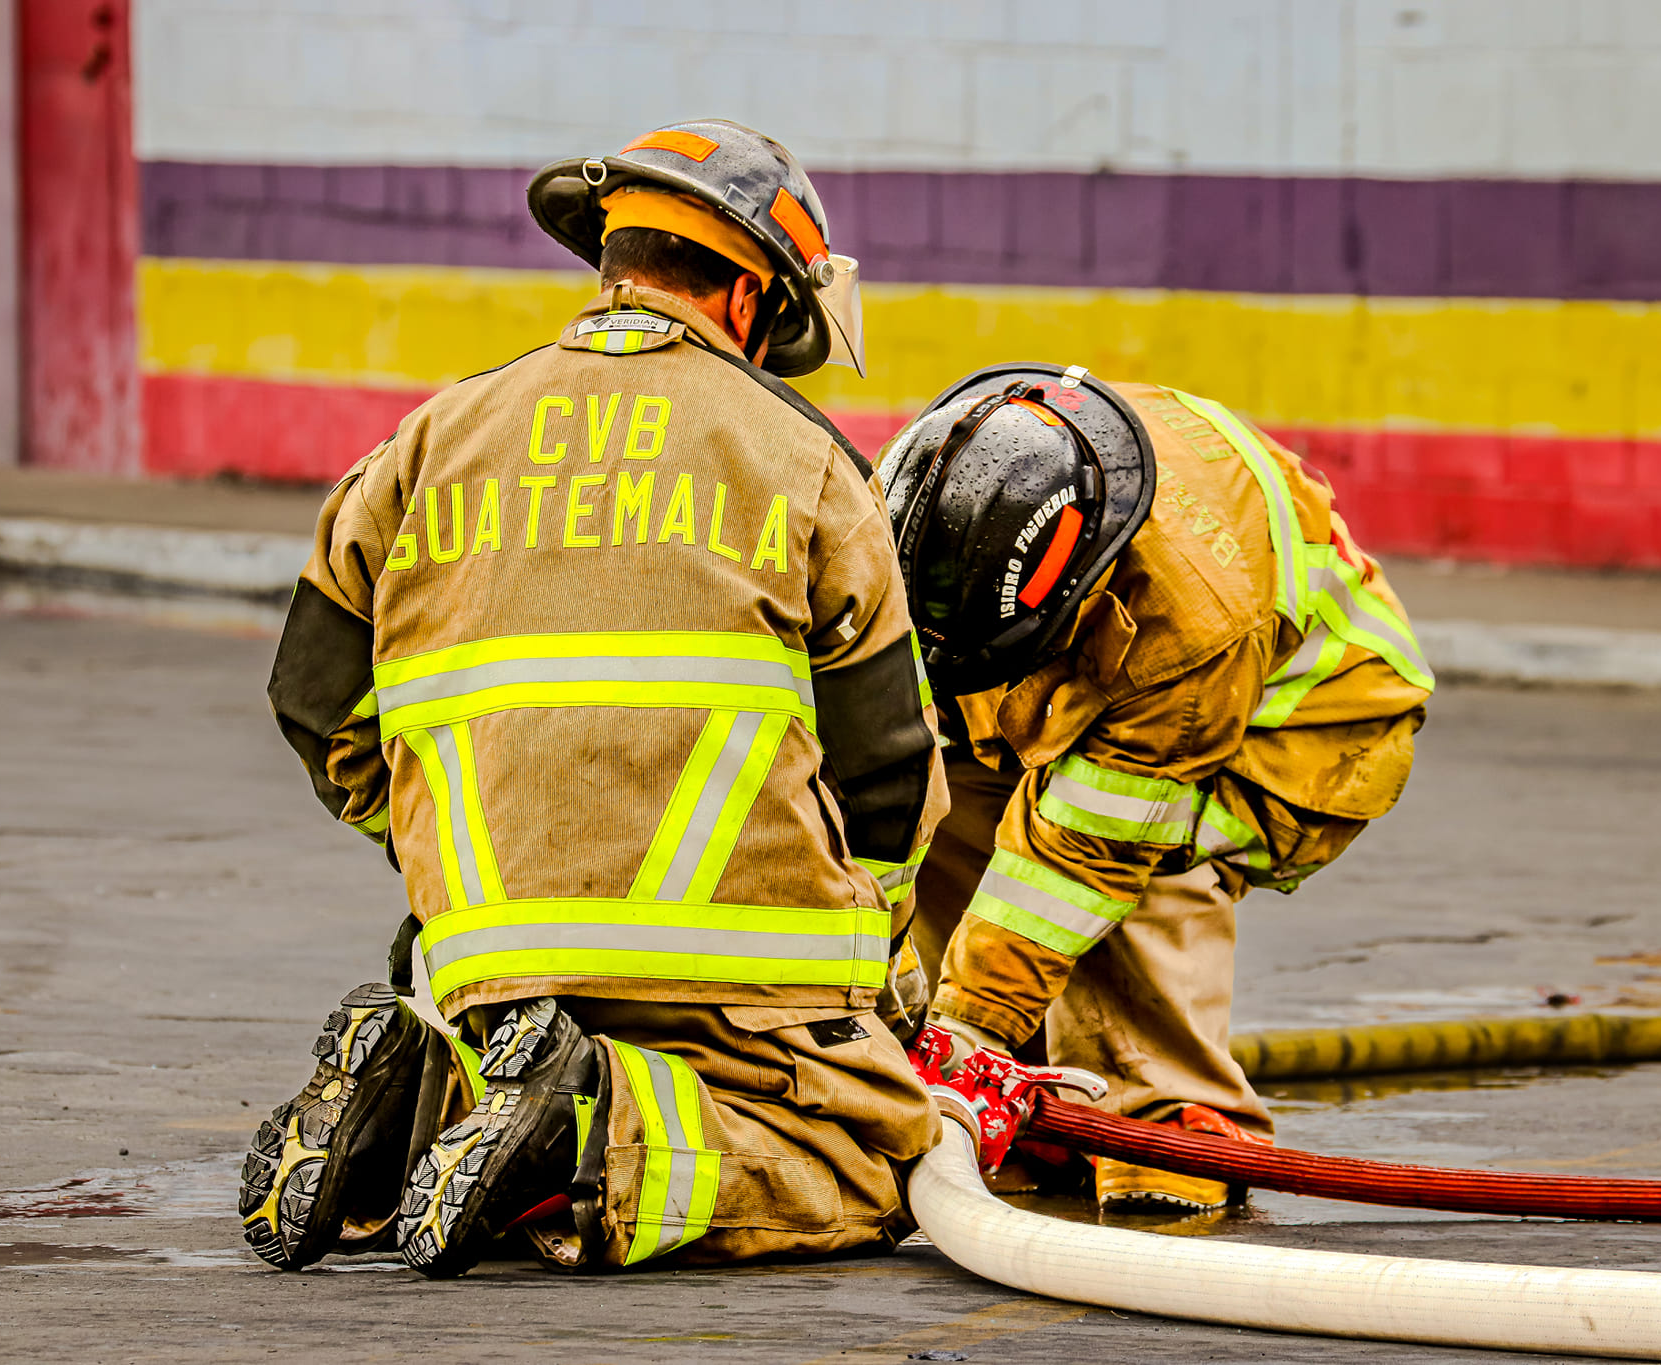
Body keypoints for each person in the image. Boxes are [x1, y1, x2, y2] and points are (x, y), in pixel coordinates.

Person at [243, 119, 947, 1277]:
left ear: (613, 261)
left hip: (490, 955)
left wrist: (445, 847)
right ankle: (587, 1129)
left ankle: (422, 1099)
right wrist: (871, 970)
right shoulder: (806, 458)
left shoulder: (427, 439)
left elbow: (314, 703)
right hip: (736, 981)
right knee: (863, 1157)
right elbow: (887, 771)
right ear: (747, 297)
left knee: (520, 1079)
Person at [880, 364, 1433, 1214]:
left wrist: (970, 1018)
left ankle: (1166, 1119)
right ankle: (1022, 1098)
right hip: (1127, 665)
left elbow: (1084, 857)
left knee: (1139, 855)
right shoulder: (935, 487)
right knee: (951, 784)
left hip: (1304, 731)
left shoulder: (1189, 623)